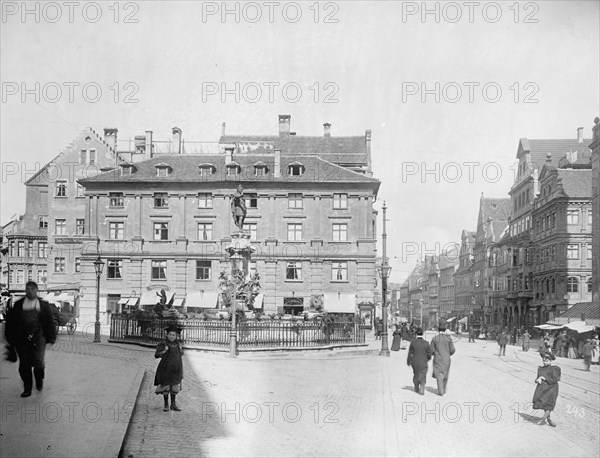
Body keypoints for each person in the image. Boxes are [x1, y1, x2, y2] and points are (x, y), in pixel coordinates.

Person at [4, 281, 58, 397]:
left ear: (36, 290)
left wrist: (51, 337)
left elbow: (49, 322)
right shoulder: (19, 305)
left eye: (32, 289)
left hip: (39, 337)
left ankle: (39, 379)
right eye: (28, 289)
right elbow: (11, 322)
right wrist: (10, 339)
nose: (30, 291)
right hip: (22, 338)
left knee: (38, 361)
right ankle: (27, 388)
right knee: (24, 364)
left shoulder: (43, 305)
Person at [154, 324, 184, 411]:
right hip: (165, 369)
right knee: (166, 387)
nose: (171, 336)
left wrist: (181, 351)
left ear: (176, 336)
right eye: (170, 335)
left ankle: (173, 405)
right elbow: (156, 355)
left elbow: (180, 354)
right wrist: (164, 351)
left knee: (174, 387)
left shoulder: (178, 344)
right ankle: (166, 404)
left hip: (176, 369)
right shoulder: (163, 344)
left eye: (173, 335)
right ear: (167, 335)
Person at [532, 352, 561, 427]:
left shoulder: (554, 369)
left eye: (547, 361)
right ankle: (549, 420)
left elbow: (555, 379)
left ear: (551, 361)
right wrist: (537, 379)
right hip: (543, 389)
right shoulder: (541, 369)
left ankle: (543, 419)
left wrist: (545, 378)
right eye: (544, 361)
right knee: (544, 404)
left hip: (552, 389)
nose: (545, 363)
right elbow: (537, 378)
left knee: (549, 405)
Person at [429, 325, 455, 396]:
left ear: (438, 330)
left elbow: (431, 350)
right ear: (445, 330)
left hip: (438, 359)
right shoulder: (448, 339)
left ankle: (441, 391)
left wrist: (434, 353)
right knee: (445, 374)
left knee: (439, 374)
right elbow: (452, 350)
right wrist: (448, 354)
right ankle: (443, 389)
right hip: (447, 359)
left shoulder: (434, 339)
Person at [407, 328, 432, 395]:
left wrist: (409, 361)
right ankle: (422, 388)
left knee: (416, 373)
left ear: (416, 334)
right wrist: (426, 359)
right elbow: (429, 354)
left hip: (415, 362)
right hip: (423, 361)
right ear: (422, 334)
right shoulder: (426, 343)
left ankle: (416, 388)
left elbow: (410, 353)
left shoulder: (413, 342)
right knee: (423, 374)